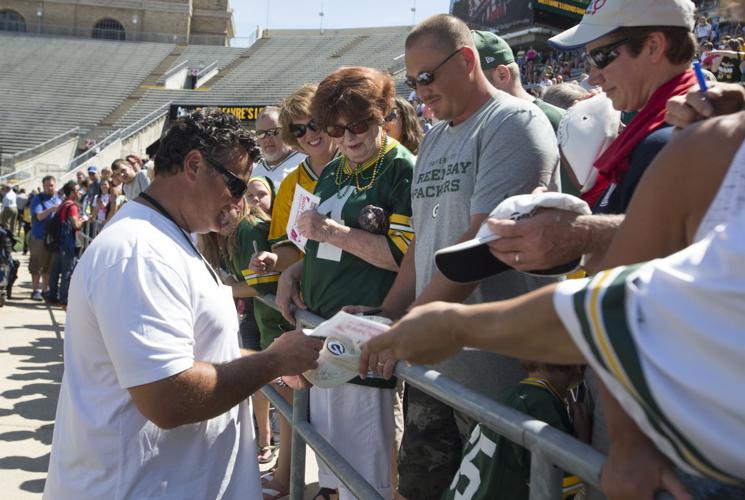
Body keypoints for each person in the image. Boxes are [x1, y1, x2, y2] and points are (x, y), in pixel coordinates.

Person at [364, 105, 745, 499]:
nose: (597, 71)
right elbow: (615, 302)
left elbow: (615, 306)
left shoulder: (709, 145)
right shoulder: (717, 142)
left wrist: (455, 326)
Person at [43, 109, 323, 500]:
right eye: (235, 186)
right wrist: (271, 363)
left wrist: (276, 363)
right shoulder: (140, 252)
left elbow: (199, 352)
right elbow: (167, 396)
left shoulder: (165, 237)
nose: (240, 203)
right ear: (194, 165)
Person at [351, 14, 560, 499]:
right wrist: (389, 315)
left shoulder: (514, 123)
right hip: (435, 366)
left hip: (499, 372)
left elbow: (481, 246)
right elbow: (424, 245)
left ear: (467, 61)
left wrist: (410, 327)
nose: (419, 92)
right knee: (417, 491)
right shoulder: (438, 137)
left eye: (427, 77)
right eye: (411, 82)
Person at [275, 66, 415, 500]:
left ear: (383, 113)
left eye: (360, 124)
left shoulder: (401, 168)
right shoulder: (335, 167)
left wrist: (329, 233)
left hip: (364, 343)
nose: (349, 136)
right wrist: (293, 272)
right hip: (323, 336)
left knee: (370, 479)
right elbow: (316, 244)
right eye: (337, 127)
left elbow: (403, 255)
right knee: (334, 467)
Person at [443, 362, 589, 500]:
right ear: (578, 363)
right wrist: (582, 440)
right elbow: (556, 488)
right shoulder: (539, 405)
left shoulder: (512, 395)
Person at [46, 180, 84, 307]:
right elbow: (75, 225)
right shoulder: (72, 206)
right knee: (67, 271)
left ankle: (52, 296)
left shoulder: (63, 203)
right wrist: (83, 219)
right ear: (72, 192)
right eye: (78, 191)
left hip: (59, 242)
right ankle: (64, 299)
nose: (80, 193)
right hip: (68, 243)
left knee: (55, 270)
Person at [253, 106, 307, 187]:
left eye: (273, 131)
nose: (267, 139)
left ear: (286, 131)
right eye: (261, 133)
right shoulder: (254, 172)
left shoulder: (305, 164)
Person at [28, 175, 61, 301]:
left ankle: (45, 290)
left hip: (53, 238)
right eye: (47, 186)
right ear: (43, 186)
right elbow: (39, 217)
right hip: (39, 237)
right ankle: (35, 290)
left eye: (51, 185)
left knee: (49, 267)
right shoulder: (38, 199)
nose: (49, 188)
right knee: (37, 265)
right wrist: (52, 209)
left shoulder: (58, 198)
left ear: (55, 185)